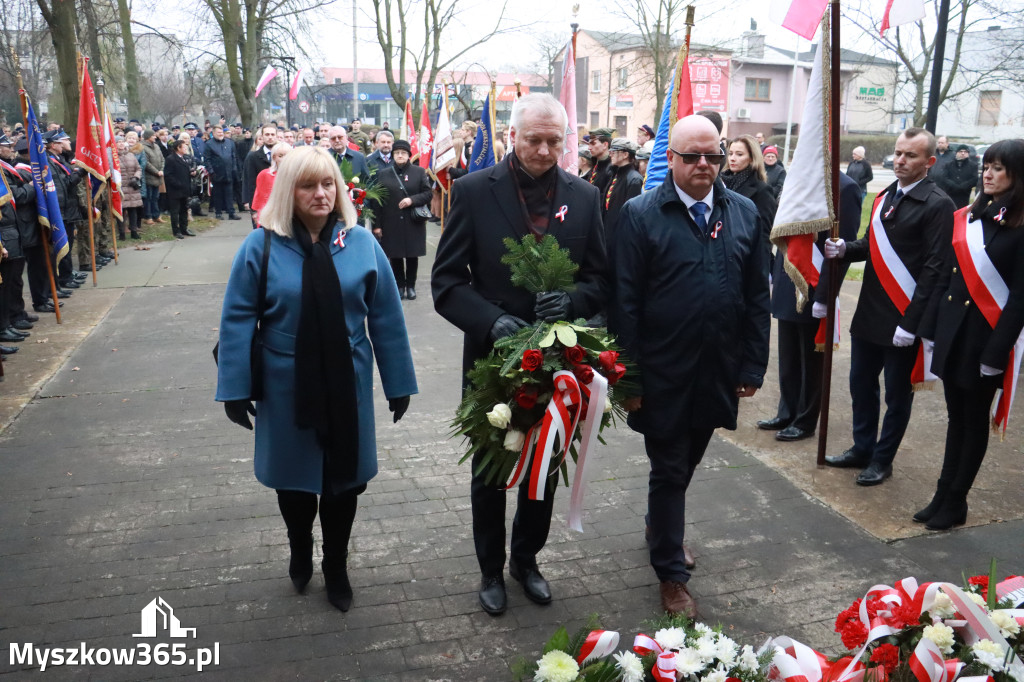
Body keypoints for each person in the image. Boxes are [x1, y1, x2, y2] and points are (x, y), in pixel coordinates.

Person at [216, 145, 416, 612]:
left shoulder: (361, 242)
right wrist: (234, 387)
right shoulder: (261, 245)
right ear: (289, 191)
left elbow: (385, 315)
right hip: (286, 382)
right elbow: (238, 318)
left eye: (329, 184)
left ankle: (337, 564)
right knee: (294, 481)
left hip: (348, 379)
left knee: (345, 481)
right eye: (308, 185)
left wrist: (398, 381)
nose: (321, 194)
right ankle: (300, 546)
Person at [432, 93, 607, 617]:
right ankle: (489, 568)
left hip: (557, 364)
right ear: (513, 135)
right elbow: (445, 282)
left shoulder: (584, 195)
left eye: (556, 140)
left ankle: (525, 560)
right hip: (492, 360)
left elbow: (602, 279)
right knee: (490, 469)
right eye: (535, 139)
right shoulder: (471, 191)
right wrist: (491, 319)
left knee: (543, 467)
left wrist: (573, 300)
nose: (546, 150)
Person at [609, 114, 770, 618]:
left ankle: (662, 526)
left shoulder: (743, 211)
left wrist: (752, 366)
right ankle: (670, 573)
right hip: (661, 371)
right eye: (692, 156)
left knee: (688, 460)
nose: (704, 165)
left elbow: (755, 297)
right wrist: (628, 378)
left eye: (713, 155)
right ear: (670, 158)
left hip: (717, 367)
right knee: (670, 466)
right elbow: (624, 302)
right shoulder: (639, 214)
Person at [823, 128, 955, 486]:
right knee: (860, 385)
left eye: (910, 156)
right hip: (870, 312)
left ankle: (883, 459)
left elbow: (935, 269)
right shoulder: (885, 195)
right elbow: (870, 244)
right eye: (898, 153)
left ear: (928, 162)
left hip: (903, 318)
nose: (900, 160)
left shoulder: (939, 204)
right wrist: (845, 249)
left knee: (897, 397)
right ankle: (861, 448)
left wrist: (911, 324)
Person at [913, 139, 1024, 530]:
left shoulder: (1020, 225)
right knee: (955, 418)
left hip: (984, 340)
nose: (988, 174)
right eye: (987, 166)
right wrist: (929, 330)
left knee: (973, 421)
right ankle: (942, 494)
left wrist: (996, 354)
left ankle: (956, 501)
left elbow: (1019, 301)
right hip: (953, 334)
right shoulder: (973, 215)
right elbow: (948, 274)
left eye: (999, 168)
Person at [758, 173, 860, 441]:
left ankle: (805, 419)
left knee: (811, 359)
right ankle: (787, 411)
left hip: (815, 283)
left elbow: (842, 246)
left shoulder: (844, 188)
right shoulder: (799, 176)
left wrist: (825, 294)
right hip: (789, 276)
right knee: (788, 356)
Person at [370, 139, 432, 300]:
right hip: (391, 222)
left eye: (403, 153)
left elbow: (428, 193)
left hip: (413, 221)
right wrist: (377, 225)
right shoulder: (383, 174)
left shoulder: (419, 172)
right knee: (395, 256)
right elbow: (378, 200)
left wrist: (412, 200)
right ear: (392, 155)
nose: (400, 155)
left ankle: (411, 286)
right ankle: (399, 286)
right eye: (397, 153)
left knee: (412, 256)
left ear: (409, 155)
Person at [721, 135, 777, 236]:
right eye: (730, 154)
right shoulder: (721, 183)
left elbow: (763, 234)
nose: (732, 159)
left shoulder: (762, 190)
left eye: (739, 154)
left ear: (752, 158)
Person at [603, 137, 644, 242]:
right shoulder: (615, 174)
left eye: (614, 151)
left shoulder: (634, 179)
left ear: (625, 155)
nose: (610, 154)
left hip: (619, 237)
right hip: (607, 232)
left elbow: (630, 216)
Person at [243, 125, 278, 228]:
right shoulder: (253, 157)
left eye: (272, 134)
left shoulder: (283, 155)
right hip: (261, 204)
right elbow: (250, 183)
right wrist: (253, 210)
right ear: (262, 137)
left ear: (276, 136)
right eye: (267, 134)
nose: (270, 137)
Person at [206, 126, 242, 220]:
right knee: (218, 194)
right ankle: (218, 213)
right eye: (218, 132)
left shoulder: (230, 142)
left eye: (221, 132)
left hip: (229, 172)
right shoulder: (209, 144)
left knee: (229, 194)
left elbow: (233, 156)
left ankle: (231, 213)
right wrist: (211, 172)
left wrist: (234, 168)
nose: (221, 134)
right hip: (216, 173)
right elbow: (207, 160)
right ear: (213, 133)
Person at [251, 143, 292, 223]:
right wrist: (256, 213)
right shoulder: (265, 174)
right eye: (280, 156)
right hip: (270, 216)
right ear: (274, 157)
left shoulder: (296, 175)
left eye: (287, 156)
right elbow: (259, 196)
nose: (284, 159)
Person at [164, 139, 197, 239]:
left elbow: (184, 171)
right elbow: (168, 175)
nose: (186, 149)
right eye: (184, 147)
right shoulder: (171, 159)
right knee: (175, 211)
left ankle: (184, 228)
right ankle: (176, 230)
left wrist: (191, 173)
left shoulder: (184, 158)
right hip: (175, 190)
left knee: (184, 210)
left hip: (184, 189)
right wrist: (178, 184)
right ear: (178, 148)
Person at [118, 135, 144, 239]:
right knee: (120, 211)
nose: (120, 143)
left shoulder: (130, 155)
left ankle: (134, 231)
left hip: (132, 186)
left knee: (133, 210)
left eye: (122, 141)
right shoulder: (112, 157)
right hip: (121, 187)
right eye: (118, 142)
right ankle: (122, 233)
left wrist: (136, 177)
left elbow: (138, 168)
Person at [940, 144, 978, 209]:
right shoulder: (948, 165)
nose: (963, 153)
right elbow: (944, 178)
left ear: (968, 154)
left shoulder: (973, 166)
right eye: (960, 151)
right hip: (950, 194)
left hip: (964, 195)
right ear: (956, 153)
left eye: (965, 152)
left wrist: (963, 186)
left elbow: (974, 179)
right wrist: (954, 185)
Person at [141, 129, 165, 225]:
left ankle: (156, 215)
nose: (155, 137)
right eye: (153, 136)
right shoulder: (143, 147)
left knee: (156, 197)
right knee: (148, 198)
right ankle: (148, 216)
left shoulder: (156, 146)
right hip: (148, 177)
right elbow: (146, 163)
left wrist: (162, 170)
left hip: (158, 176)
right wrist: (156, 172)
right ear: (147, 137)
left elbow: (162, 158)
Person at [583, 127, 614, 193]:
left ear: (605, 145)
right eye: (589, 144)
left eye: (593, 144)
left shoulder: (611, 169)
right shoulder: (595, 165)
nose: (589, 148)